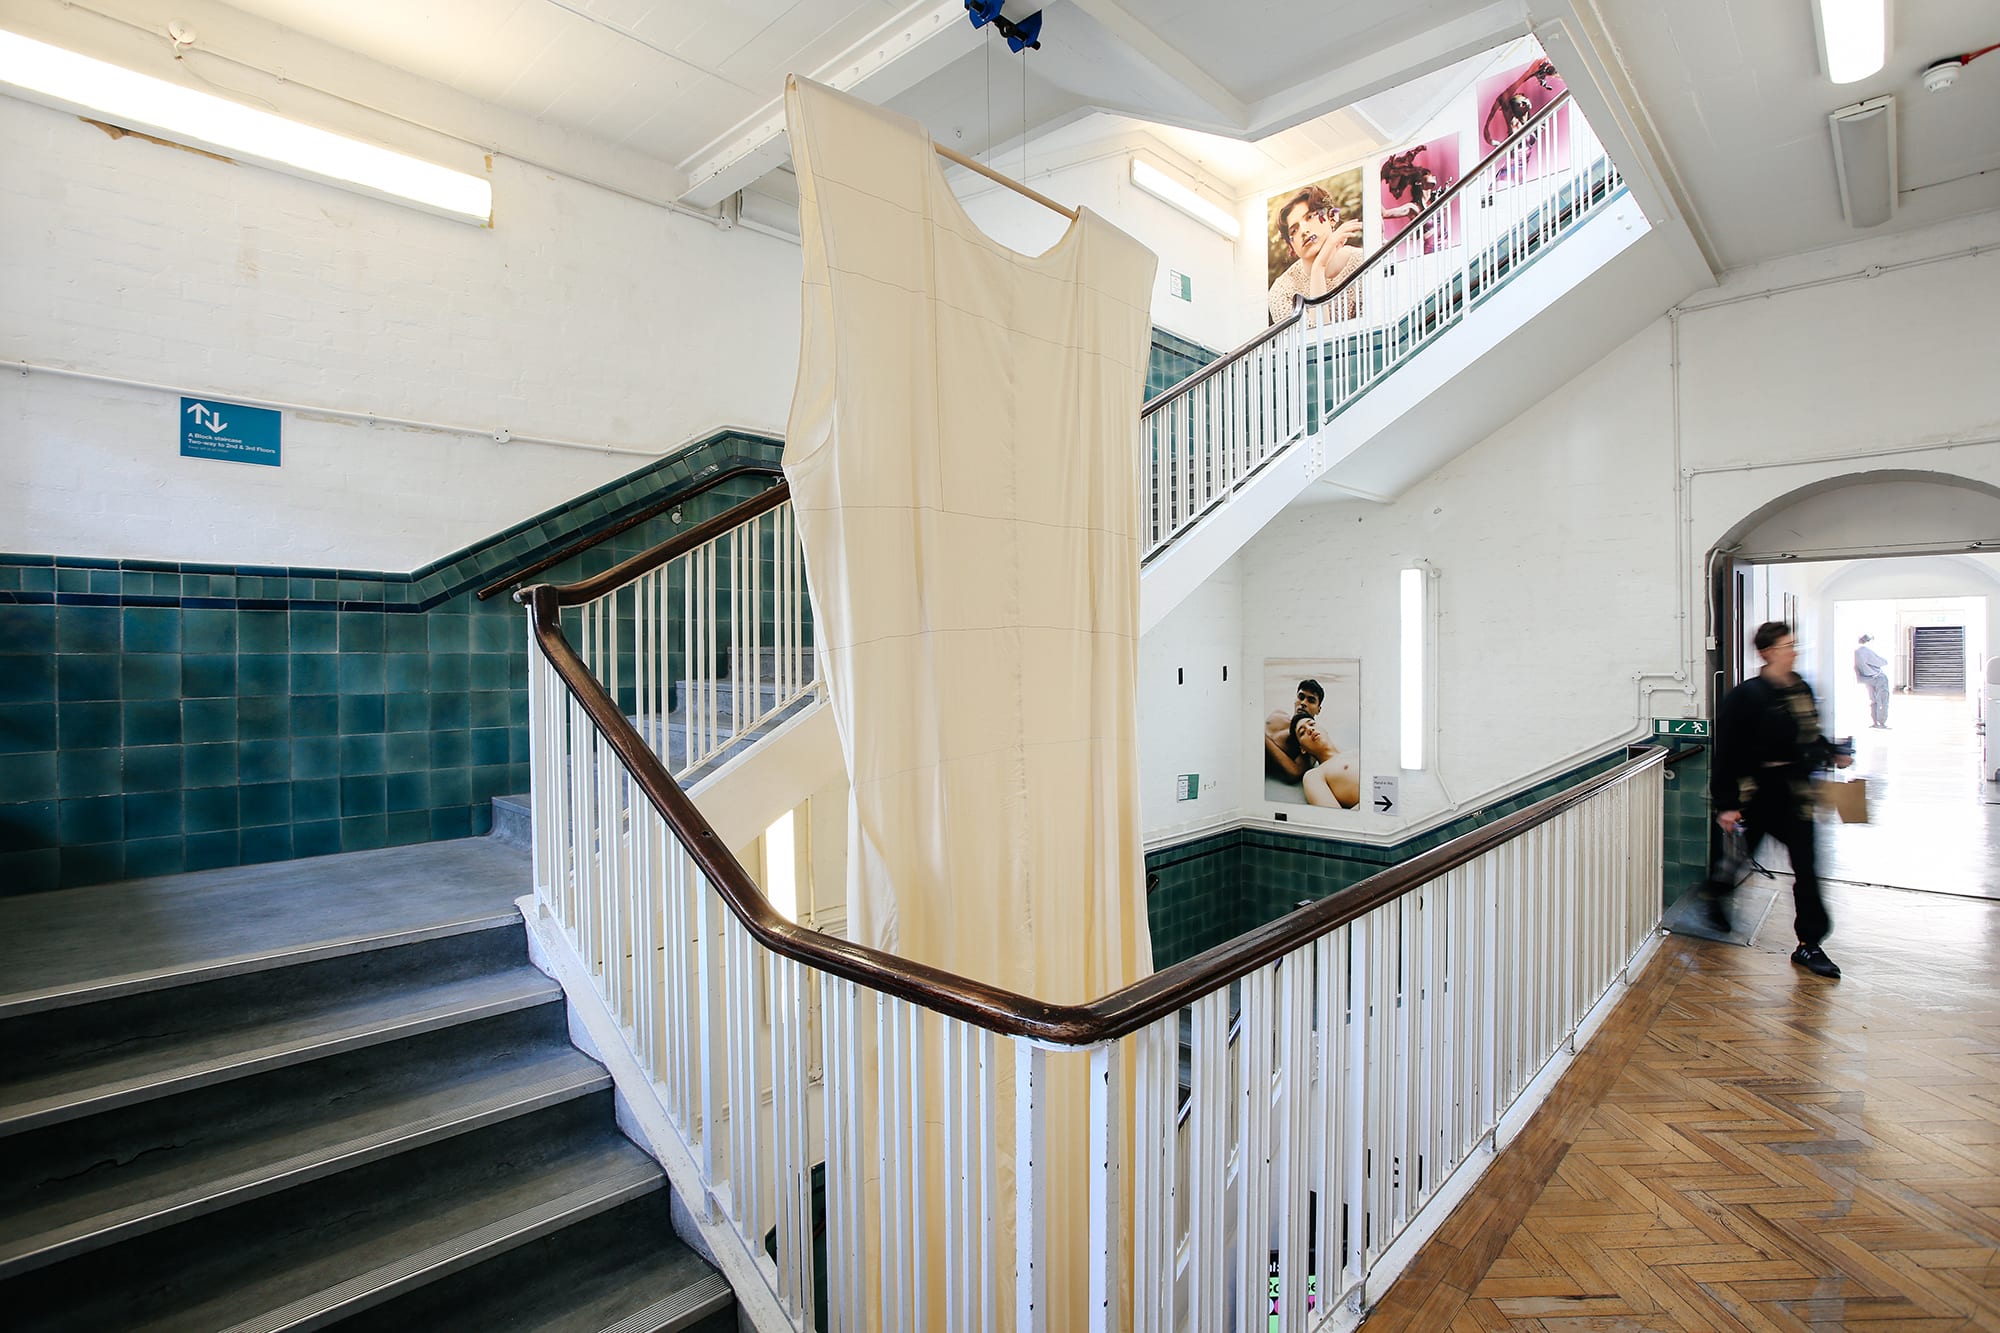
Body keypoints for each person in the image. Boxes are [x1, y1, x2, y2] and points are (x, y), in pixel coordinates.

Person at [1708, 621, 1853, 978]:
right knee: (1741, 857)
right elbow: (1726, 752)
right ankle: (1715, 893)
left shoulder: (1800, 687)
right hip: (1759, 792)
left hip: (1795, 793)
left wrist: (1832, 752)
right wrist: (1726, 803)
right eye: (1788, 645)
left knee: (1807, 867)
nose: (1794, 651)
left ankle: (1809, 944)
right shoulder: (1747, 696)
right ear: (1768, 652)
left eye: (1794, 644)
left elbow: (1809, 735)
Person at [1266, 186, 1365, 327]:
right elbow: (1314, 345)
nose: (1304, 230)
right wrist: (1318, 268)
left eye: (1310, 217)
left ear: (1332, 218)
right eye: (1294, 230)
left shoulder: (1362, 261)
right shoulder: (1282, 291)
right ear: (1291, 246)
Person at [1293, 712, 1360, 809]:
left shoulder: (1358, 751)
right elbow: (1335, 819)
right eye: (1302, 732)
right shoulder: (1314, 775)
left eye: (1312, 724)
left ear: (1325, 730)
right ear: (1302, 749)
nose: (1310, 729)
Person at [1265, 678, 1324, 781]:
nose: (1303, 703)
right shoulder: (1278, 714)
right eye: (1301, 697)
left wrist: (1262, 738)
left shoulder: (1310, 737)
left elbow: (1295, 772)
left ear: (1318, 709)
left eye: (1311, 700)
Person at [1854, 633, 1890, 728]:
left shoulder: (1856, 652)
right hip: (1878, 677)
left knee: (1873, 700)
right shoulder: (1866, 651)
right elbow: (1882, 662)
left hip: (1866, 679)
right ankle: (1882, 722)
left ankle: (1874, 722)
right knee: (1883, 700)